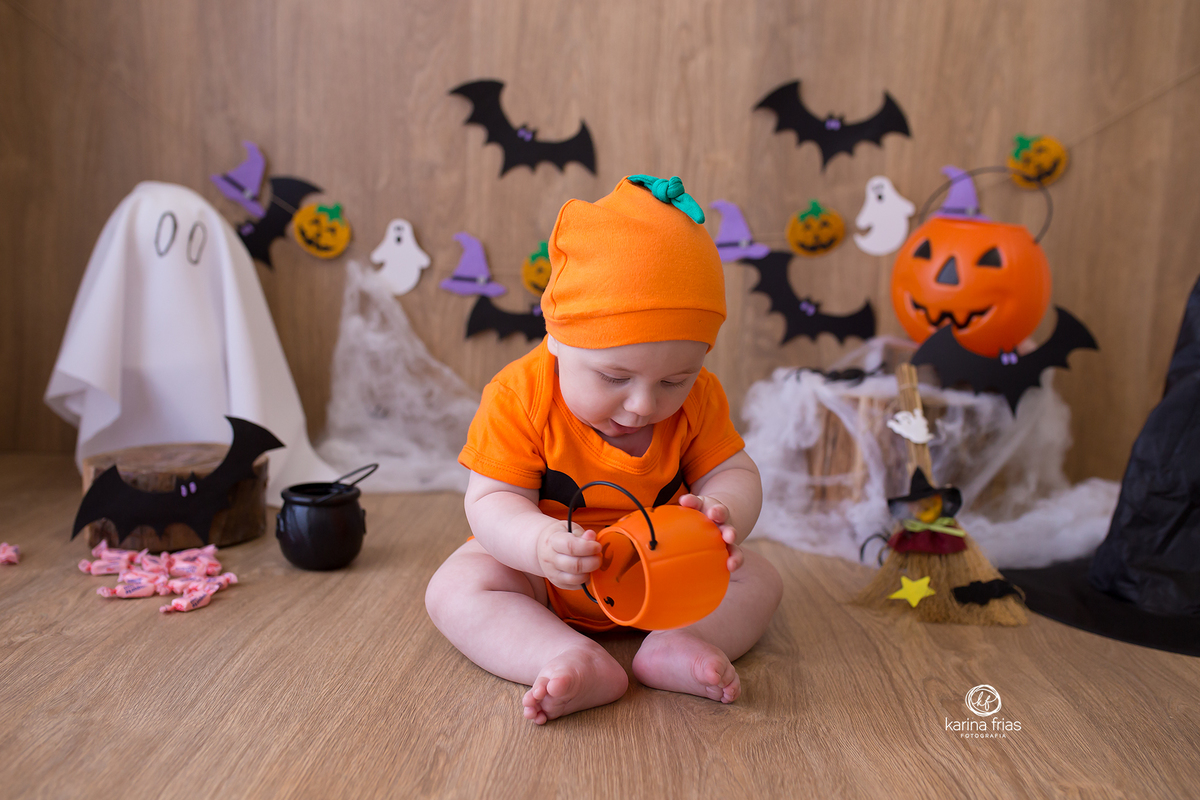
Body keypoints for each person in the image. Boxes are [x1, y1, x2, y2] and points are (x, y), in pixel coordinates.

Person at [425, 175, 783, 725]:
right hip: (549, 577)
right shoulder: (520, 397)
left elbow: (734, 469)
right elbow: (491, 499)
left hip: (668, 576)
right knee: (455, 588)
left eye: (674, 380)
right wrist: (538, 542)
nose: (642, 405)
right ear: (557, 339)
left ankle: (678, 642)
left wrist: (724, 510)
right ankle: (563, 655)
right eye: (614, 377)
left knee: (759, 579)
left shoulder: (701, 398)